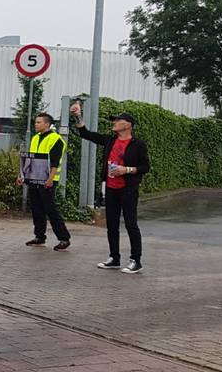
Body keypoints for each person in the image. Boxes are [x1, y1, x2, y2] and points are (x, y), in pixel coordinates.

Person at [71, 103, 151, 273]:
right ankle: (114, 257)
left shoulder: (138, 144)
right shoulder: (110, 140)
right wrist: (78, 116)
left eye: (117, 120)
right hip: (111, 188)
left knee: (131, 224)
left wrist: (126, 170)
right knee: (112, 224)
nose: (113, 123)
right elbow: (85, 134)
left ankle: (136, 260)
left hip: (128, 189)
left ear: (128, 125)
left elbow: (145, 167)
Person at [18, 112, 71, 250]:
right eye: (36, 122)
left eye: (39, 122)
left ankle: (64, 238)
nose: (36, 124)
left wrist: (50, 179)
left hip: (47, 179)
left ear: (47, 124)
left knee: (50, 209)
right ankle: (39, 236)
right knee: (36, 208)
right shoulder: (35, 138)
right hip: (34, 178)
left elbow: (55, 162)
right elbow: (30, 160)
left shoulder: (56, 139)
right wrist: (22, 175)